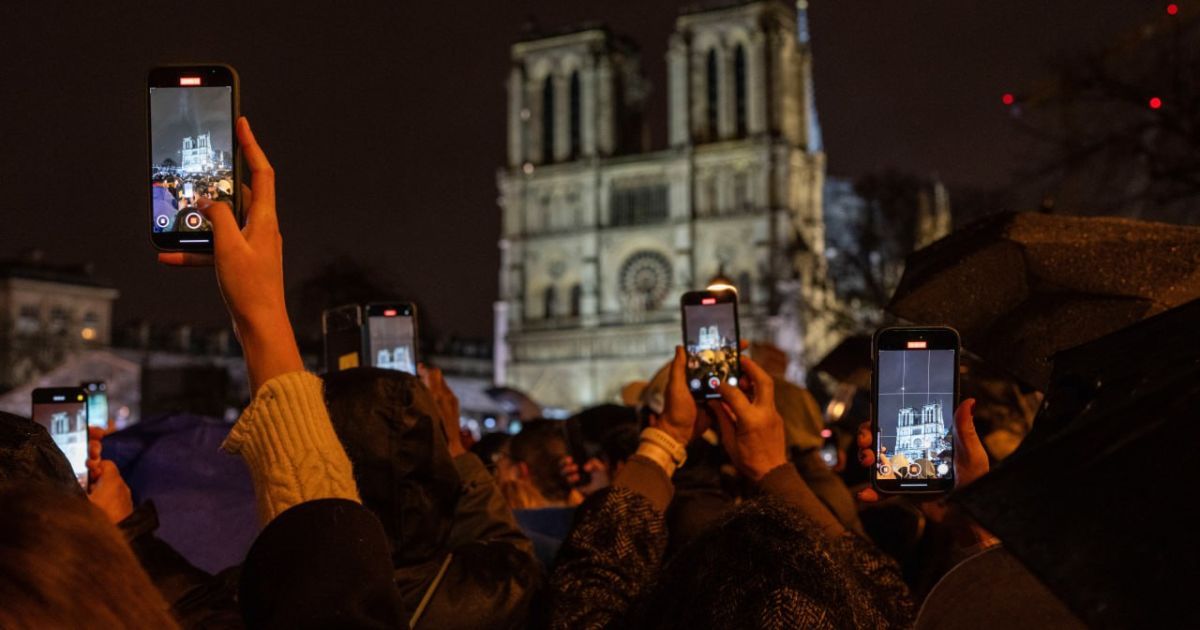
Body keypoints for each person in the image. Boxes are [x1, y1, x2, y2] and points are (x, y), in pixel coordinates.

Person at [547, 347, 915, 628]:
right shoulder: (860, 608)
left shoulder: (697, 518)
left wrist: (667, 440)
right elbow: (886, 593)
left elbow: (582, 601)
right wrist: (771, 467)